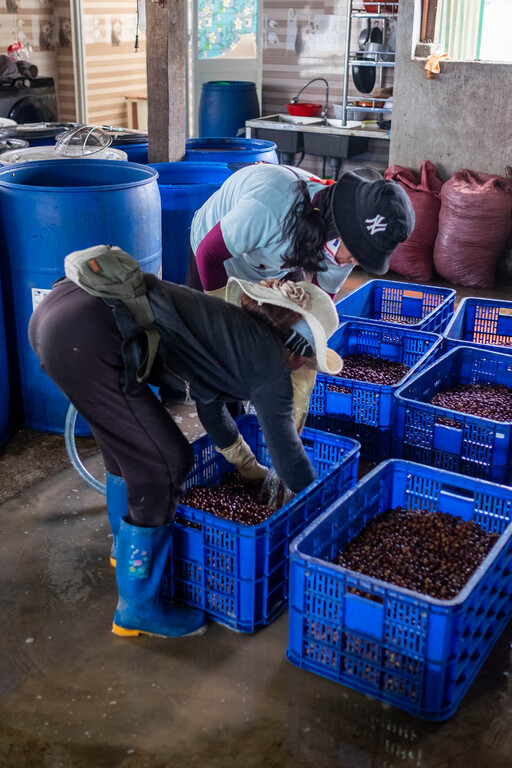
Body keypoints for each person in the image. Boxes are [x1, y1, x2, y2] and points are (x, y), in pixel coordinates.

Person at [28, 245, 343, 641]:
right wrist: (325, 511)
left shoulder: (233, 332)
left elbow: (211, 410)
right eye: (309, 359)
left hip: (62, 313)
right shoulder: (269, 367)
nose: (305, 367)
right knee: (164, 464)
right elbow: (288, 453)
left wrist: (247, 466)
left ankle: (124, 548)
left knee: (127, 450)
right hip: (86, 333)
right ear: (298, 350)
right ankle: (138, 609)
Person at [187, 164, 416, 299]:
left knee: (287, 325)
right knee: (208, 342)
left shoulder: (342, 247)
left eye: (366, 253)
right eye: (358, 250)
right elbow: (209, 254)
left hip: (276, 257)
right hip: (217, 254)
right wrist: (226, 312)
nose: (357, 262)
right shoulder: (272, 205)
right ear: (340, 230)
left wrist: (308, 342)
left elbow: (319, 301)